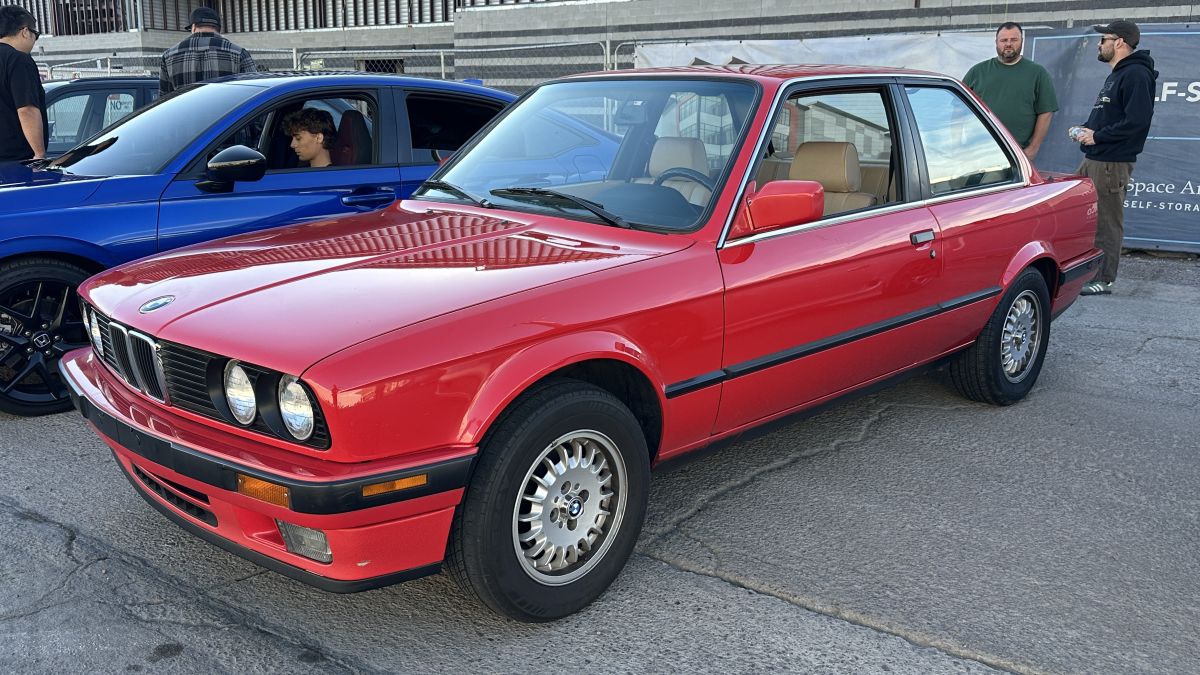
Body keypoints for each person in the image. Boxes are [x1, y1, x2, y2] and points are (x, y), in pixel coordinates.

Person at [1072, 20, 1157, 295]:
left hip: (1111, 161)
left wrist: (1097, 136)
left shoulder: (1136, 74)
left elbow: (1137, 121)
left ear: (1119, 42)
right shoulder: (1118, 74)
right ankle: (1083, 270)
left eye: (1104, 39)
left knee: (1106, 221)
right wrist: (1085, 130)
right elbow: (1108, 116)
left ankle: (1102, 279)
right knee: (1082, 215)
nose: (1099, 44)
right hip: (1095, 157)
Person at [963, 22, 1058, 162]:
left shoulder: (1037, 73)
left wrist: (1033, 148)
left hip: (1016, 154)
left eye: (1014, 40)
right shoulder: (977, 72)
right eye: (1004, 40)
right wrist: (959, 143)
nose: (1008, 44)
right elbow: (958, 109)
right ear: (996, 42)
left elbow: (1046, 112)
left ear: (1022, 41)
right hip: (978, 152)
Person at [160, 7, 257, 95]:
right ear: (218, 29)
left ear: (193, 27)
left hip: (184, 109)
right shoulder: (239, 54)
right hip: (227, 109)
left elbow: (163, 98)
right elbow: (253, 92)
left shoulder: (169, 56)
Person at [0, 5, 46, 162]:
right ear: (25, 31)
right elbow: (27, 109)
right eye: (36, 35)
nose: (34, 41)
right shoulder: (18, 60)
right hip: (15, 160)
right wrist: (39, 154)